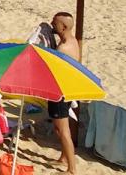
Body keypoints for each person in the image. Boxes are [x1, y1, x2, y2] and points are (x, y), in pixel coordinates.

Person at [49, 11, 81, 174]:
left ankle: (72, 169)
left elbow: (54, 71)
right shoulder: (72, 41)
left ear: (64, 26)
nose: (52, 24)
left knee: (62, 130)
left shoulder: (63, 47)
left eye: (55, 23)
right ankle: (63, 157)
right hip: (68, 89)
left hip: (60, 92)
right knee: (60, 128)